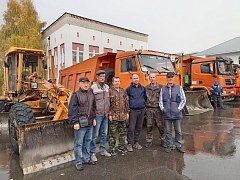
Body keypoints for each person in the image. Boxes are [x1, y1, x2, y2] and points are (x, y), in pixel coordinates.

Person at [68, 77, 96, 171]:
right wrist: (75, 122)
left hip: (90, 122)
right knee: (79, 143)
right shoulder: (76, 95)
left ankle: (86, 158)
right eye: (84, 83)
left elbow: (93, 107)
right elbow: (72, 110)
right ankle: (78, 162)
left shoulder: (91, 93)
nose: (86, 85)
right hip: (80, 122)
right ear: (79, 84)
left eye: (87, 83)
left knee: (88, 141)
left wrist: (94, 118)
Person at [159, 72, 186, 153]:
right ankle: (169, 146)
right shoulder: (163, 89)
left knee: (178, 131)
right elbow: (160, 100)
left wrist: (179, 109)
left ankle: (179, 145)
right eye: (168, 77)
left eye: (171, 77)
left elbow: (183, 99)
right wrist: (163, 108)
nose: (170, 79)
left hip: (176, 114)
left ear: (173, 78)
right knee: (168, 131)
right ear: (166, 78)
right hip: (167, 114)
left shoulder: (179, 88)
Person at [90, 70, 111, 162]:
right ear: (97, 77)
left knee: (104, 134)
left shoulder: (107, 87)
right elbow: (90, 103)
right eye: (101, 76)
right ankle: (92, 153)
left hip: (105, 115)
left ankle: (103, 150)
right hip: (97, 115)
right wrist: (92, 116)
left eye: (104, 76)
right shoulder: (93, 87)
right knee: (94, 135)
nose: (102, 78)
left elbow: (108, 101)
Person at [108, 77, 129, 155]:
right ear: (113, 82)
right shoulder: (109, 91)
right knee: (112, 133)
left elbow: (126, 102)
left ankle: (121, 146)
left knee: (123, 132)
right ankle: (112, 148)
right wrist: (110, 114)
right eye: (115, 81)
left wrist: (127, 112)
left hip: (122, 116)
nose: (117, 83)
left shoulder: (123, 91)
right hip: (114, 116)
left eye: (118, 81)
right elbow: (108, 104)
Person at [126, 74, 146, 152]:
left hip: (141, 110)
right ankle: (129, 143)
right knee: (131, 128)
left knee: (139, 127)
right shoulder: (129, 89)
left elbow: (145, 98)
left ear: (139, 79)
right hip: (133, 111)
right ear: (132, 80)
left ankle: (136, 142)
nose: (136, 80)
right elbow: (126, 100)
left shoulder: (143, 88)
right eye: (134, 78)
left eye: (137, 78)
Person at [145, 73, 164, 148]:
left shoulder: (161, 87)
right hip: (149, 109)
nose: (152, 78)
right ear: (149, 78)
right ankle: (149, 140)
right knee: (149, 125)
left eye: (153, 77)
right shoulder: (146, 88)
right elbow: (144, 98)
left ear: (156, 78)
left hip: (158, 109)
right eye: (151, 77)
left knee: (160, 126)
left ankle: (163, 139)